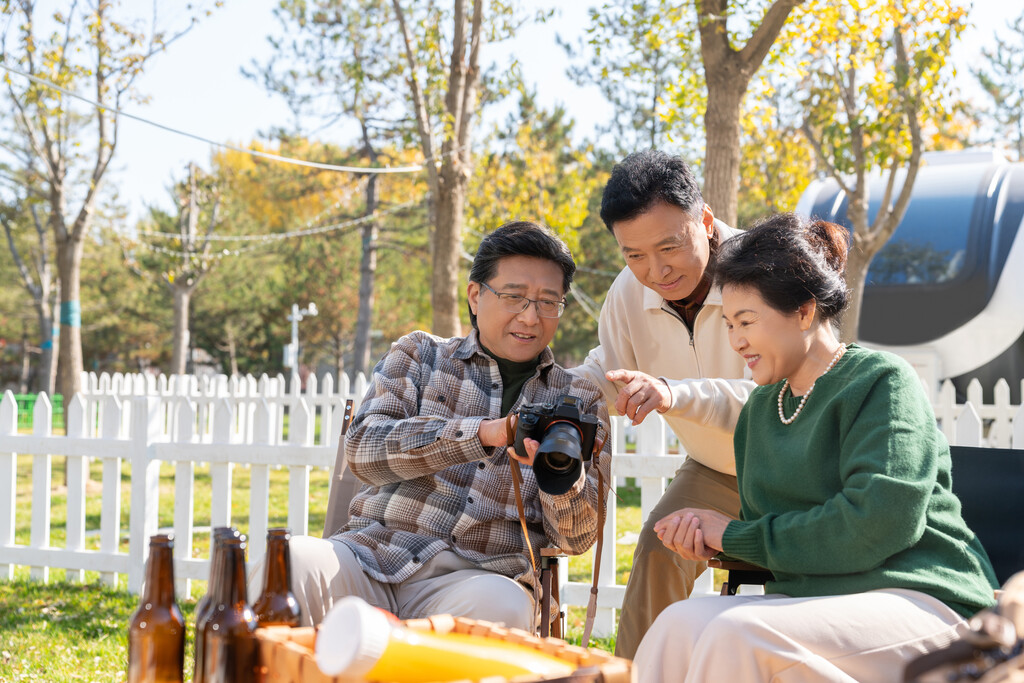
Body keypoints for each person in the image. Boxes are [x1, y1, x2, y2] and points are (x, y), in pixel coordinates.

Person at [634, 213, 998, 682]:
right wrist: (708, 539)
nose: (736, 340)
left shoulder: (881, 381)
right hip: (816, 605)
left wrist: (732, 535)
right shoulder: (762, 411)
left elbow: (878, 523)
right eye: (728, 324)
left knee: (737, 634)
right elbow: (775, 536)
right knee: (676, 625)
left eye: (746, 321)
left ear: (804, 311)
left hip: (925, 604)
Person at [259, 221, 611, 631]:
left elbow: (577, 540)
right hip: (372, 557)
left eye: (548, 302)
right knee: (288, 562)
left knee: (505, 607)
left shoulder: (578, 398)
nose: (531, 317)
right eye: (515, 297)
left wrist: (558, 475)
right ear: (476, 295)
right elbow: (363, 450)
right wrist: (481, 434)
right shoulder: (420, 355)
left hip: (479, 580)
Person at [570, 149, 754, 658]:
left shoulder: (764, 274)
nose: (655, 270)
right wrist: (559, 391)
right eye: (634, 255)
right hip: (718, 470)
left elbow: (778, 401)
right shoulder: (628, 294)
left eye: (669, 246)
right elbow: (609, 372)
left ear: (707, 220)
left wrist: (674, 393)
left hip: (800, 466)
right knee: (657, 549)